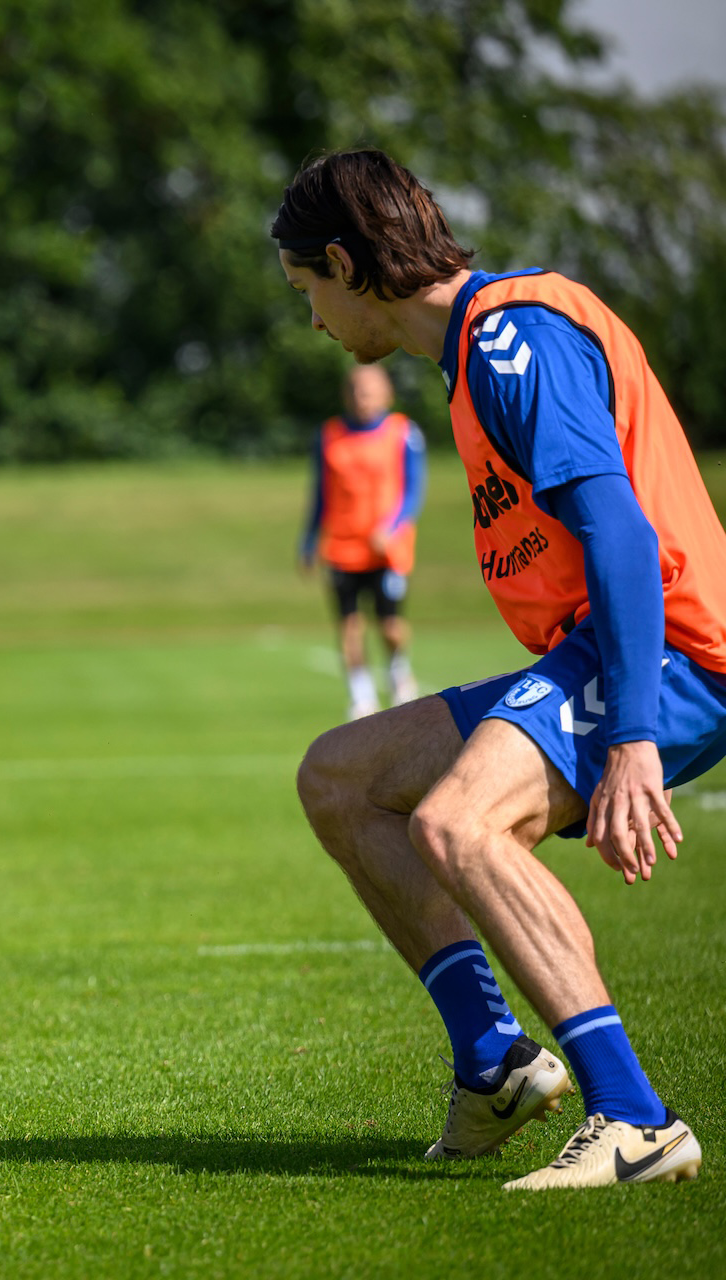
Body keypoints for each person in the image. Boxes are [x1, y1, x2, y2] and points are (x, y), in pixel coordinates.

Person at [276, 148, 723, 1189]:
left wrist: (635, 738)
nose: (314, 324)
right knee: (342, 775)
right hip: (605, 647)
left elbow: (616, 527)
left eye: (309, 292)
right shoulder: (473, 358)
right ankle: (494, 1059)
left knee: (458, 821)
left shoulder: (513, 339)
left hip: (674, 651)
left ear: (345, 262)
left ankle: (636, 1117)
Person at [299, 364, 425, 718]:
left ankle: (398, 671)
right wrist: (309, 541)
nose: (362, 398)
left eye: (369, 391)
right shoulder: (329, 436)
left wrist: (393, 526)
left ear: (387, 393)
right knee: (350, 625)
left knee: (390, 626)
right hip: (342, 546)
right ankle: (362, 696)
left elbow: (413, 491)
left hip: (385, 549)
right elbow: (321, 494)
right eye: (356, 391)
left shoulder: (404, 433)